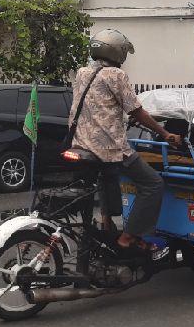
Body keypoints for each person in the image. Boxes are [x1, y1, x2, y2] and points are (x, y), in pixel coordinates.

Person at [68, 29, 181, 258]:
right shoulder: (115, 75)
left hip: (80, 145)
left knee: (104, 180)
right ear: (118, 52)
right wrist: (165, 133)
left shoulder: (82, 73)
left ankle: (106, 224)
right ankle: (128, 238)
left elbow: (99, 106)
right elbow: (137, 111)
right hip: (109, 147)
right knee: (153, 184)